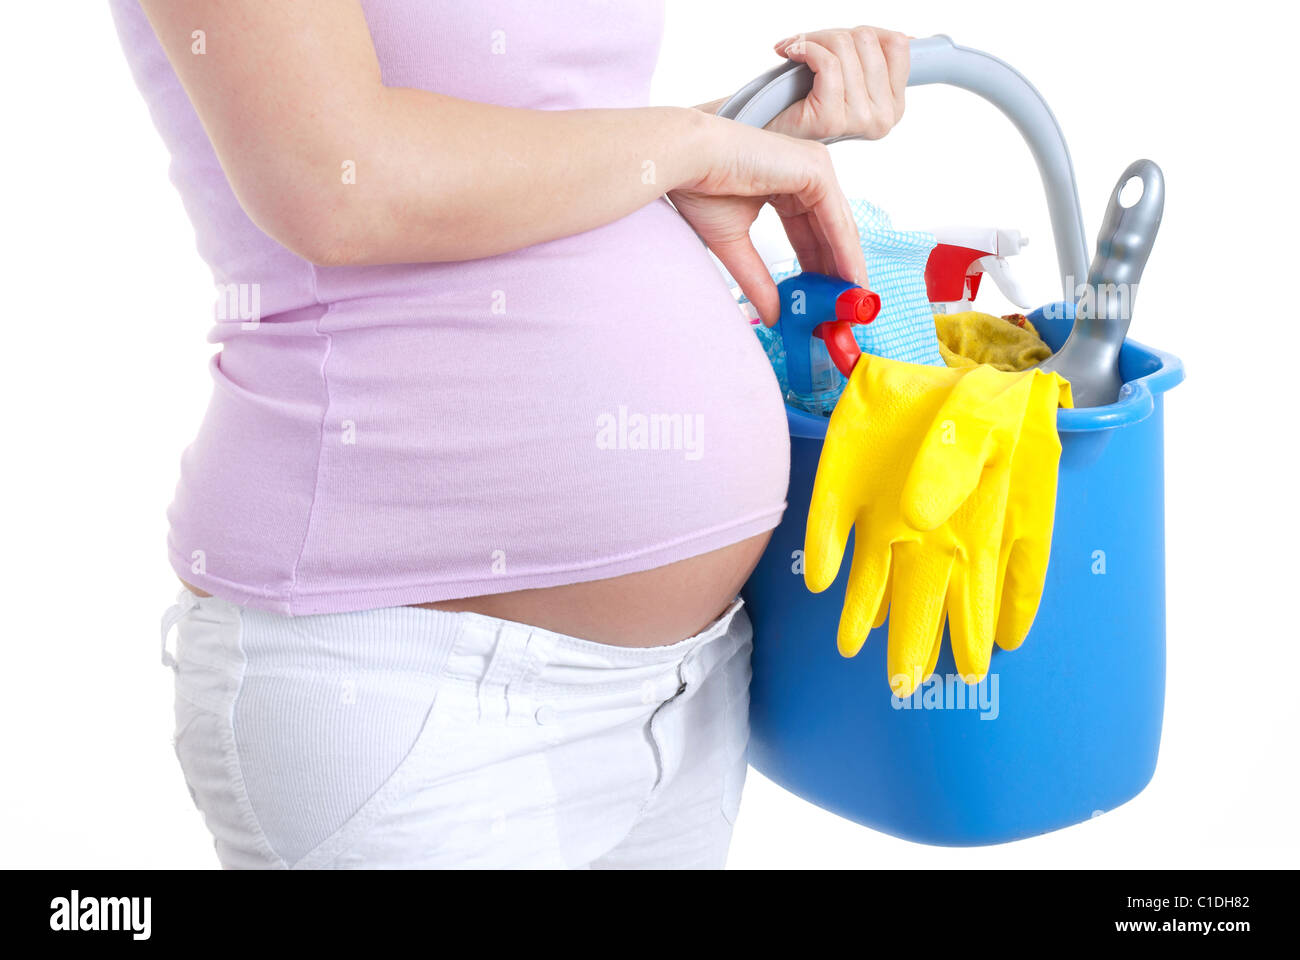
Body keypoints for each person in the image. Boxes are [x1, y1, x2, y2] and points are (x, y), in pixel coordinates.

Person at [113, 0, 909, 868]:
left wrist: (742, 127)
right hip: (400, 686)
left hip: (687, 690)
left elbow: (539, 140)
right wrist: (690, 143)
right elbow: (336, 179)